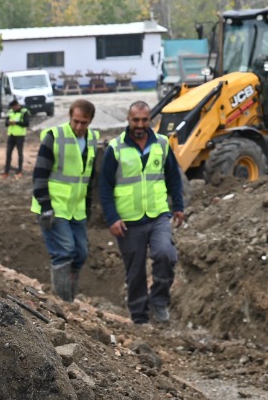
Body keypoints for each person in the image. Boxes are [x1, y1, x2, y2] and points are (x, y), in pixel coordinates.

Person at [97, 98, 187, 326]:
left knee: (166, 254)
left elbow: (173, 177)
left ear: (150, 120)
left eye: (144, 120)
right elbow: (104, 187)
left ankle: (159, 301)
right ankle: (139, 317)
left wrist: (178, 206)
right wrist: (113, 218)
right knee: (135, 271)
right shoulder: (115, 148)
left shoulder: (162, 144)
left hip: (158, 215)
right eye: (135, 120)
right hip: (129, 221)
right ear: (128, 120)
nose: (139, 124)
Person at [28, 99, 100, 300]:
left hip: (76, 208)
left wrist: (88, 207)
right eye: (75, 121)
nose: (78, 126)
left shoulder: (92, 139)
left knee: (81, 253)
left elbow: (88, 177)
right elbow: (40, 173)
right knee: (64, 250)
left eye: (83, 123)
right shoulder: (54, 136)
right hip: (54, 205)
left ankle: (68, 294)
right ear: (70, 116)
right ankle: (63, 301)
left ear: (90, 121)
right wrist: (45, 206)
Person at [3, 97, 30, 176]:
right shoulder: (10, 112)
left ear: (17, 105)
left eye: (14, 107)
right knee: (8, 153)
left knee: (19, 153)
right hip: (11, 135)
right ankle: (6, 171)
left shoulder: (24, 112)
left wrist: (16, 123)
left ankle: (19, 170)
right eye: (12, 108)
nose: (13, 109)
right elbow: (6, 123)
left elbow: (26, 123)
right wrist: (9, 122)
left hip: (20, 136)